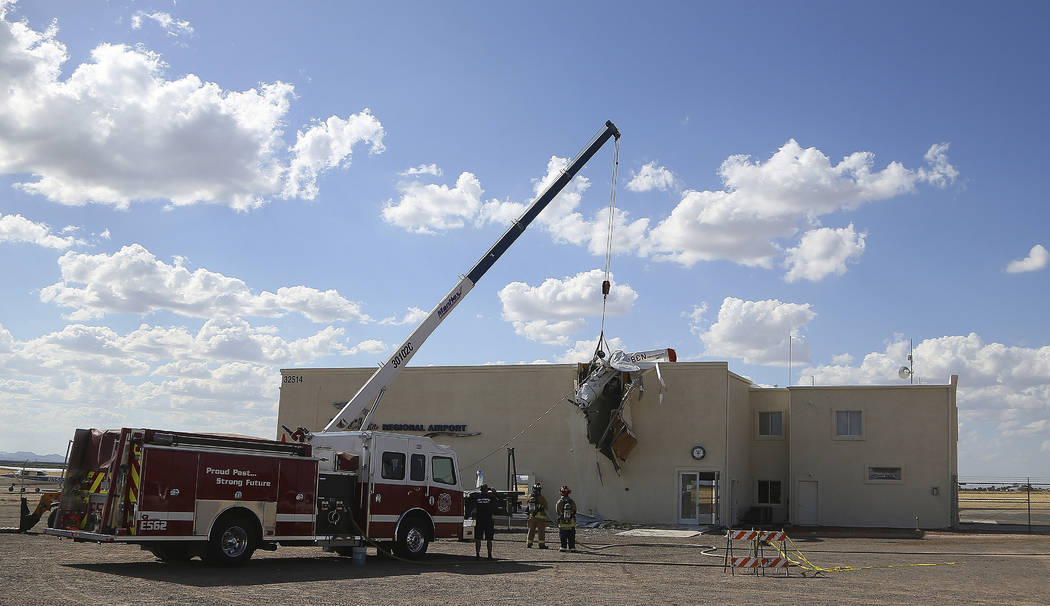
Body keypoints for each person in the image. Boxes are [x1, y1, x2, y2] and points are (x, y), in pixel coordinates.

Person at [472, 484, 498, 560]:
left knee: (478, 538)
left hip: (479, 519)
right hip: (488, 520)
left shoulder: (477, 497)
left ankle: (477, 554)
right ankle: (489, 555)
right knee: (489, 539)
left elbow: (472, 504)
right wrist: (494, 493)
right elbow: (498, 503)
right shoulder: (491, 497)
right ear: (487, 490)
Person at [525, 482, 548, 549]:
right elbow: (546, 506)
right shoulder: (541, 498)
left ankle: (529, 543)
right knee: (541, 531)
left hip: (532, 517)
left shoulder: (529, 496)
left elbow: (527, 505)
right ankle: (541, 544)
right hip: (541, 518)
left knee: (531, 530)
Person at [555, 485, 577, 552]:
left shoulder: (559, 502)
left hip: (562, 523)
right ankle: (572, 548)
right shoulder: (572, 502)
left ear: (561, 493)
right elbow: (575, 510)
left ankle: (563, 548)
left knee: (563, 537)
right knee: (571, 537)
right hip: (571, 524)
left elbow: (557, 511)